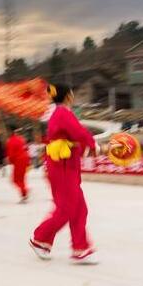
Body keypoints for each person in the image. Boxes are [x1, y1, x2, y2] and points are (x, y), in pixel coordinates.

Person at [29, 84, 98, 265]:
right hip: (63, 167)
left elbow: (74, 137)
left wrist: (90, 146)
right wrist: (93, 145)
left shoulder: (59, 113)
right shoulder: (62, 113)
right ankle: (40, 239)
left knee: (79, 208)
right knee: (66, 208)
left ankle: (80, 248)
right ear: (68, 96)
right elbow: (79, 133)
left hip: (65, 165)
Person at [6, 125, 31, 203]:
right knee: (21, 179)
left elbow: (11, 153)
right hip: (24, 159)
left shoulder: (11, 141)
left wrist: (10, 161)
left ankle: (24, 192)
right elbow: (26, 148)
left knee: (15, 179)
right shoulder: (21, 139)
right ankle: (24, 193)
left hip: (18, 161)